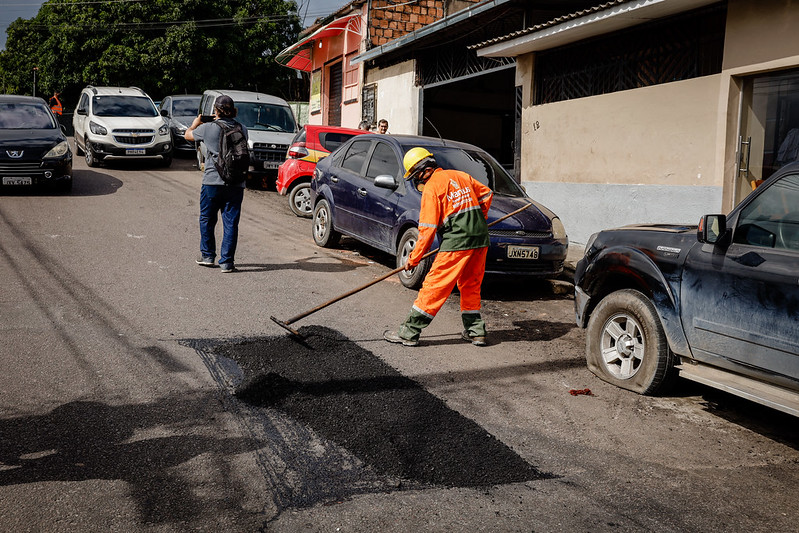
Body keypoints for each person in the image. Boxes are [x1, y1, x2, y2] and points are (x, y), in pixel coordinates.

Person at [383, 147, 493, 347]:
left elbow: (426, 230)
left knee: (434, 286)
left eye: (417, 177)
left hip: (457, 242)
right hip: (480, 239)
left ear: (424, 171)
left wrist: (414, 259)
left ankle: (409, 332)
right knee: (470, 285)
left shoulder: (433, 188)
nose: (418, 182)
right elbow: (486, 195)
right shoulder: (461, 176)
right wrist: (478, 219)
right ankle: (476, 331)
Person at [184, 95, 248, 273]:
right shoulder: (242, 128)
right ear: (233, 110)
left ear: (216, 111)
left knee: (207, 219)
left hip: (212, 181)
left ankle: (208, 256)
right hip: (236, 182)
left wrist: (196, 123)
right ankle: (227, 262)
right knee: (231, 223)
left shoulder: (208, 128)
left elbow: (187, 135)